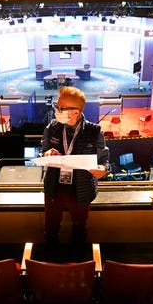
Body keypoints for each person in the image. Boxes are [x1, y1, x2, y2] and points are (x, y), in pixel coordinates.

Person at [40, 86, 109, 247]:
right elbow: (43, 150)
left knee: (80, 229)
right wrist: (46, 154)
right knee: (50, 229)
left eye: (60, 108)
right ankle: (50, 260)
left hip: (81, 190)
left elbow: (104, 161)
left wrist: (103, 170)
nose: (56, 110)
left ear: (76, 112)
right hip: (54, 189)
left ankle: (79, 262)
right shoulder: (52, 128)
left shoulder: (94, 131)